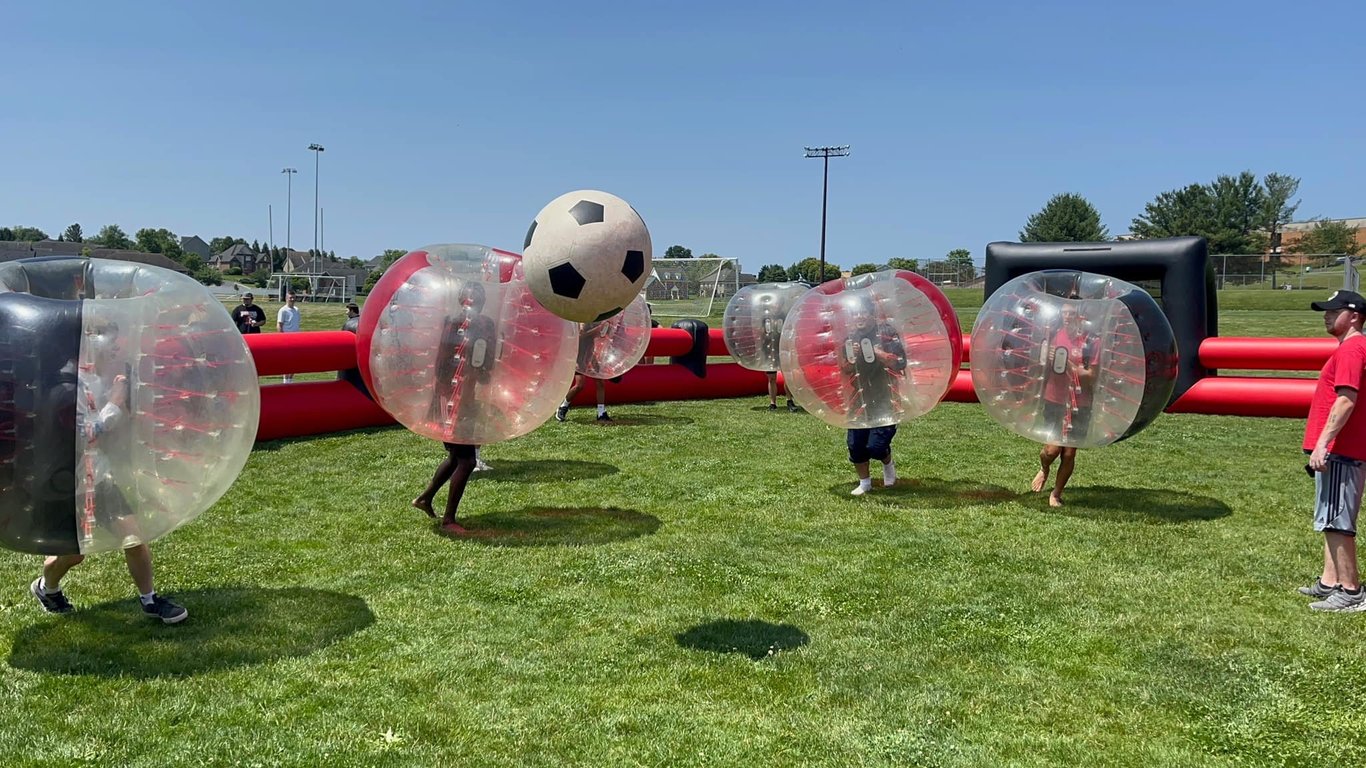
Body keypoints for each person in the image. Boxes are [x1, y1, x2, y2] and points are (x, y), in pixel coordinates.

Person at [31, 334, 187, 624]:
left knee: (133, 537)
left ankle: (149, 599)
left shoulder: (93, 380)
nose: (112, 353)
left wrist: (127, 400)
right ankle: (46, 587)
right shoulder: (64, 388)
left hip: (99, 476)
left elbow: (112, 427)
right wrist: (115, 402)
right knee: (75, 555)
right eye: (107, 350)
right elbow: (85, 434)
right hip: (68, 484)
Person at [1298, 290, 1366, 611]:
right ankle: (1330, 580)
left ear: (1354, 317)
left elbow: (1346, 399)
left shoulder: (1352, 349)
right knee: (1329, 516)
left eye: (1334, 311)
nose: (1326, 315)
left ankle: (1351, 592)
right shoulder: (1350, 348)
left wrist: (1323, 443)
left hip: (1342, 450)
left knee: (1338, 519)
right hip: (1340, 450)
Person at [412, 283, 494, 533]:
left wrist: (478, 372)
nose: (474, 303)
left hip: (465, 397)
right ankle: (448, 520)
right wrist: (452, 391)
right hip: (453, 399)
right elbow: (442, 363)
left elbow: (486, 366)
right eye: (472, 298)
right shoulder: (455, 322)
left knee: (456, 457)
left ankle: (424, 499)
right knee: (466, 460)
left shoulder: (485, 325)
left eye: (478, 298)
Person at [1030, 301, 1099, 508]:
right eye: (1064, 313)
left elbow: (1092, 376)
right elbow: (1039, 366)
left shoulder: (1091, 342)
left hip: (1080, 403)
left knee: (1069, 453)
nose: (1067, 317)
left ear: (1080, 315)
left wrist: (1068, 365)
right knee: (1052, 450)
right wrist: (1045, 357)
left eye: (1071, 313)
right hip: (1055, 399)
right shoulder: (1053, 335)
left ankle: (1056, 493)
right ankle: (1044, 468)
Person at [840, 297, 906, 496]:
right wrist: (852, 359)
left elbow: (900, 363)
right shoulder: (850, 338)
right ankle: (865, 483)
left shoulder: (887, 333)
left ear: (872, 315)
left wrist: (879, 354)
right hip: (859, 397)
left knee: (877, 446)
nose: (859, 317)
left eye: (863, 313)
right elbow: (845, 368)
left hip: (885, 396)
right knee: (855, 444)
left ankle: (888, 463)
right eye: (856, 313)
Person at [556, 321, 615, 422]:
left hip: (590, 353)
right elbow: (581, 335)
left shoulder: (596, 320)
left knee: (600, 382)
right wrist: (596, 330)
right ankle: (563, 406)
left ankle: (601, 413)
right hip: (578, 356)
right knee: (579, 385)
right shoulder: (582, 320)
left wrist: (607, 329)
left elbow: (600, 335)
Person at [277, 293, 301, 383]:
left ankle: (291, 379)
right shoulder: (283, 310)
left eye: (294, 298)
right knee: (286, 360)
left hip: (296, 338)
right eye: (290, 298)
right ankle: (285, 380)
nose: (292, 299)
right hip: (286, 338)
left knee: (294, 360)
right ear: (286, 298)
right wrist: (281, 337)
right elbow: (279, 324)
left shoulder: (296, 310)